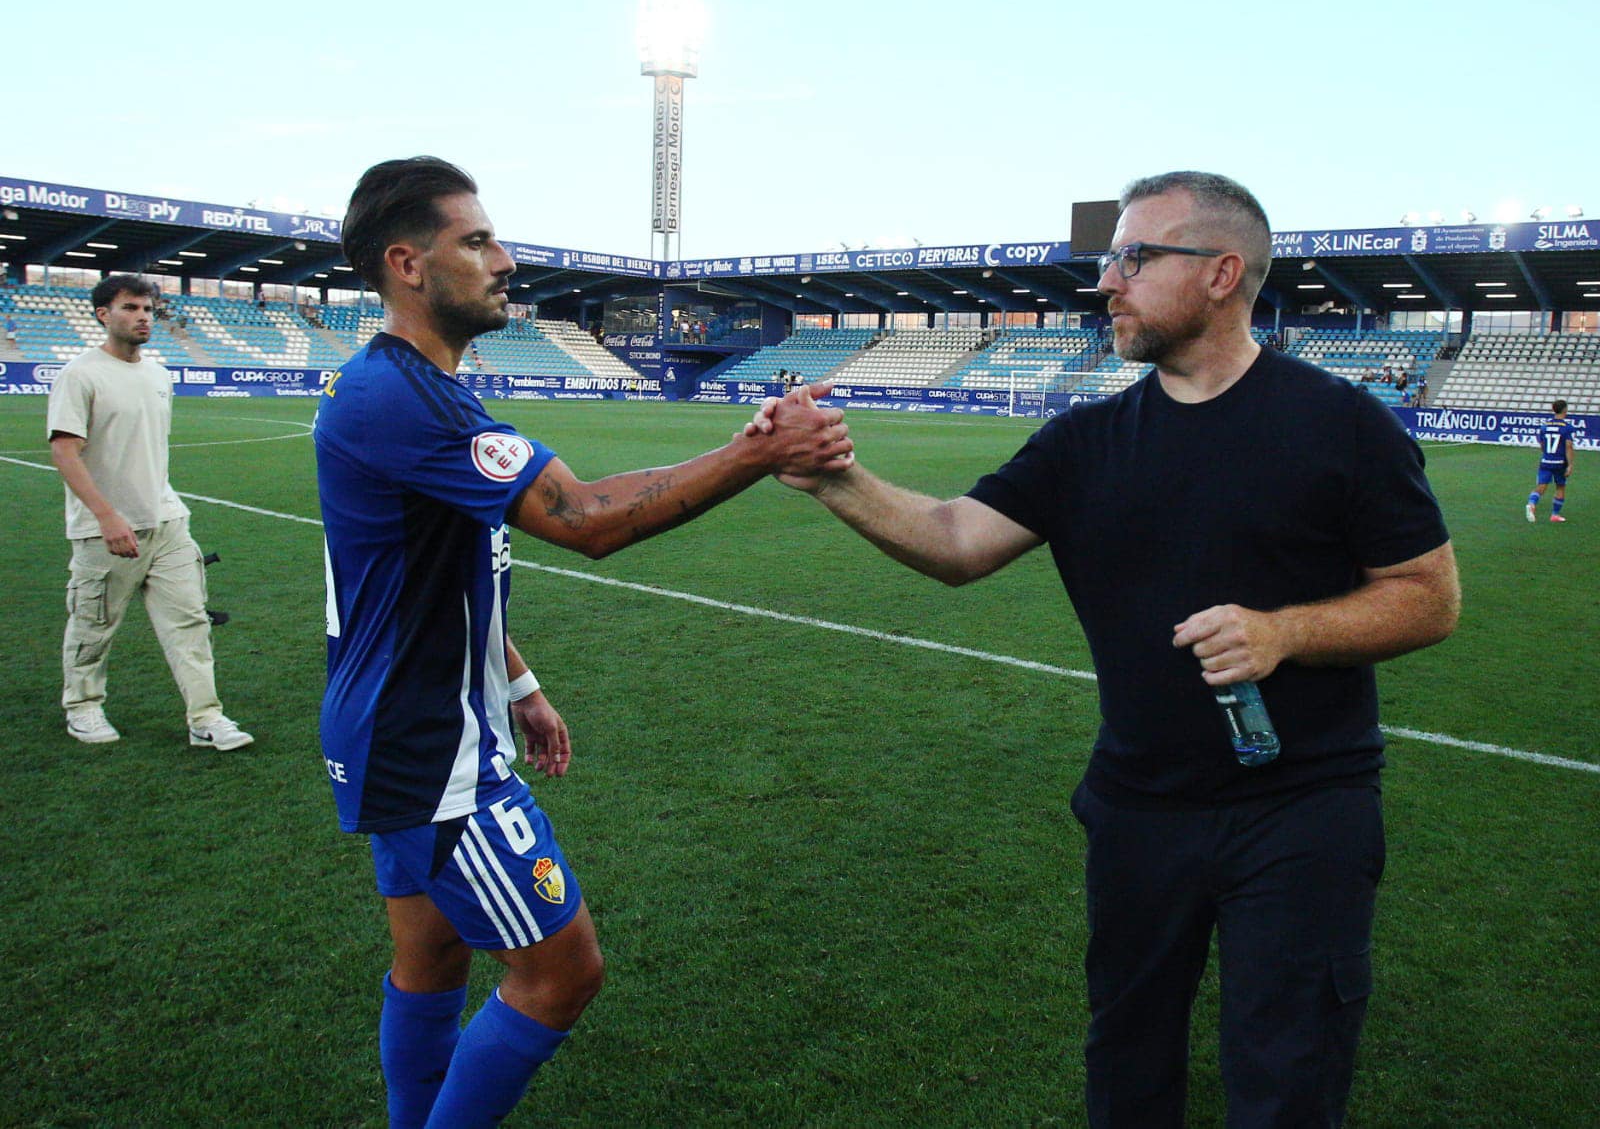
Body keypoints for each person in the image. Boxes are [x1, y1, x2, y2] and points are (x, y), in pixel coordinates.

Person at [750, 170, 1459, 1127]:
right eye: (1107, 260)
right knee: (1127, 1060)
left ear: (1220, 273)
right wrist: (836, 477)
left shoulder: (1340, 424)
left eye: (1132, 256)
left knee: (1288, 1071)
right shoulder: (1087, 439)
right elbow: (960, 540)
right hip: (1138, 807)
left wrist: (1283, 632)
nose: (1105, 282)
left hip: (1304, 807)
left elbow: (1428, 598)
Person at [315, 156, 851, 1129]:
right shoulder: (398, 395)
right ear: (406, 262)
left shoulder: (409, 387)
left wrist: (518, 680)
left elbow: (440, 577)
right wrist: (755, 449)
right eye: (475, 241)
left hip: (403, 727)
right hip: (430, 747)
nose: (504, 258)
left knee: (430, 955)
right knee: (560, 975)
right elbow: (586, 516)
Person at [46, 276, 253, 750]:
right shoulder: (81, 374)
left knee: (190, 623)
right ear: (104, 314)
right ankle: (83, 707)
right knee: (93, 624)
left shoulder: (159, 375)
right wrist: (106, 517)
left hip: (168, 523)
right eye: (131, 308)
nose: (143, 317)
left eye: (148, 309)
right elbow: (65, 452)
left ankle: (206, 718)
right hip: (105, 532)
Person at [1526, 398, 1576, 523]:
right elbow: (1568, 446)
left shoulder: (1544, 426)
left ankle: (1531, 503)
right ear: (1565, 410)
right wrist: (1570, 465)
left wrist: (1547, 455)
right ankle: (1555, 515)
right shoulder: (1567, 427)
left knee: (1541, 487)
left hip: (1546, 461)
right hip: (1560, 463)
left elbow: (1542, 445)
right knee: (1560, 487)